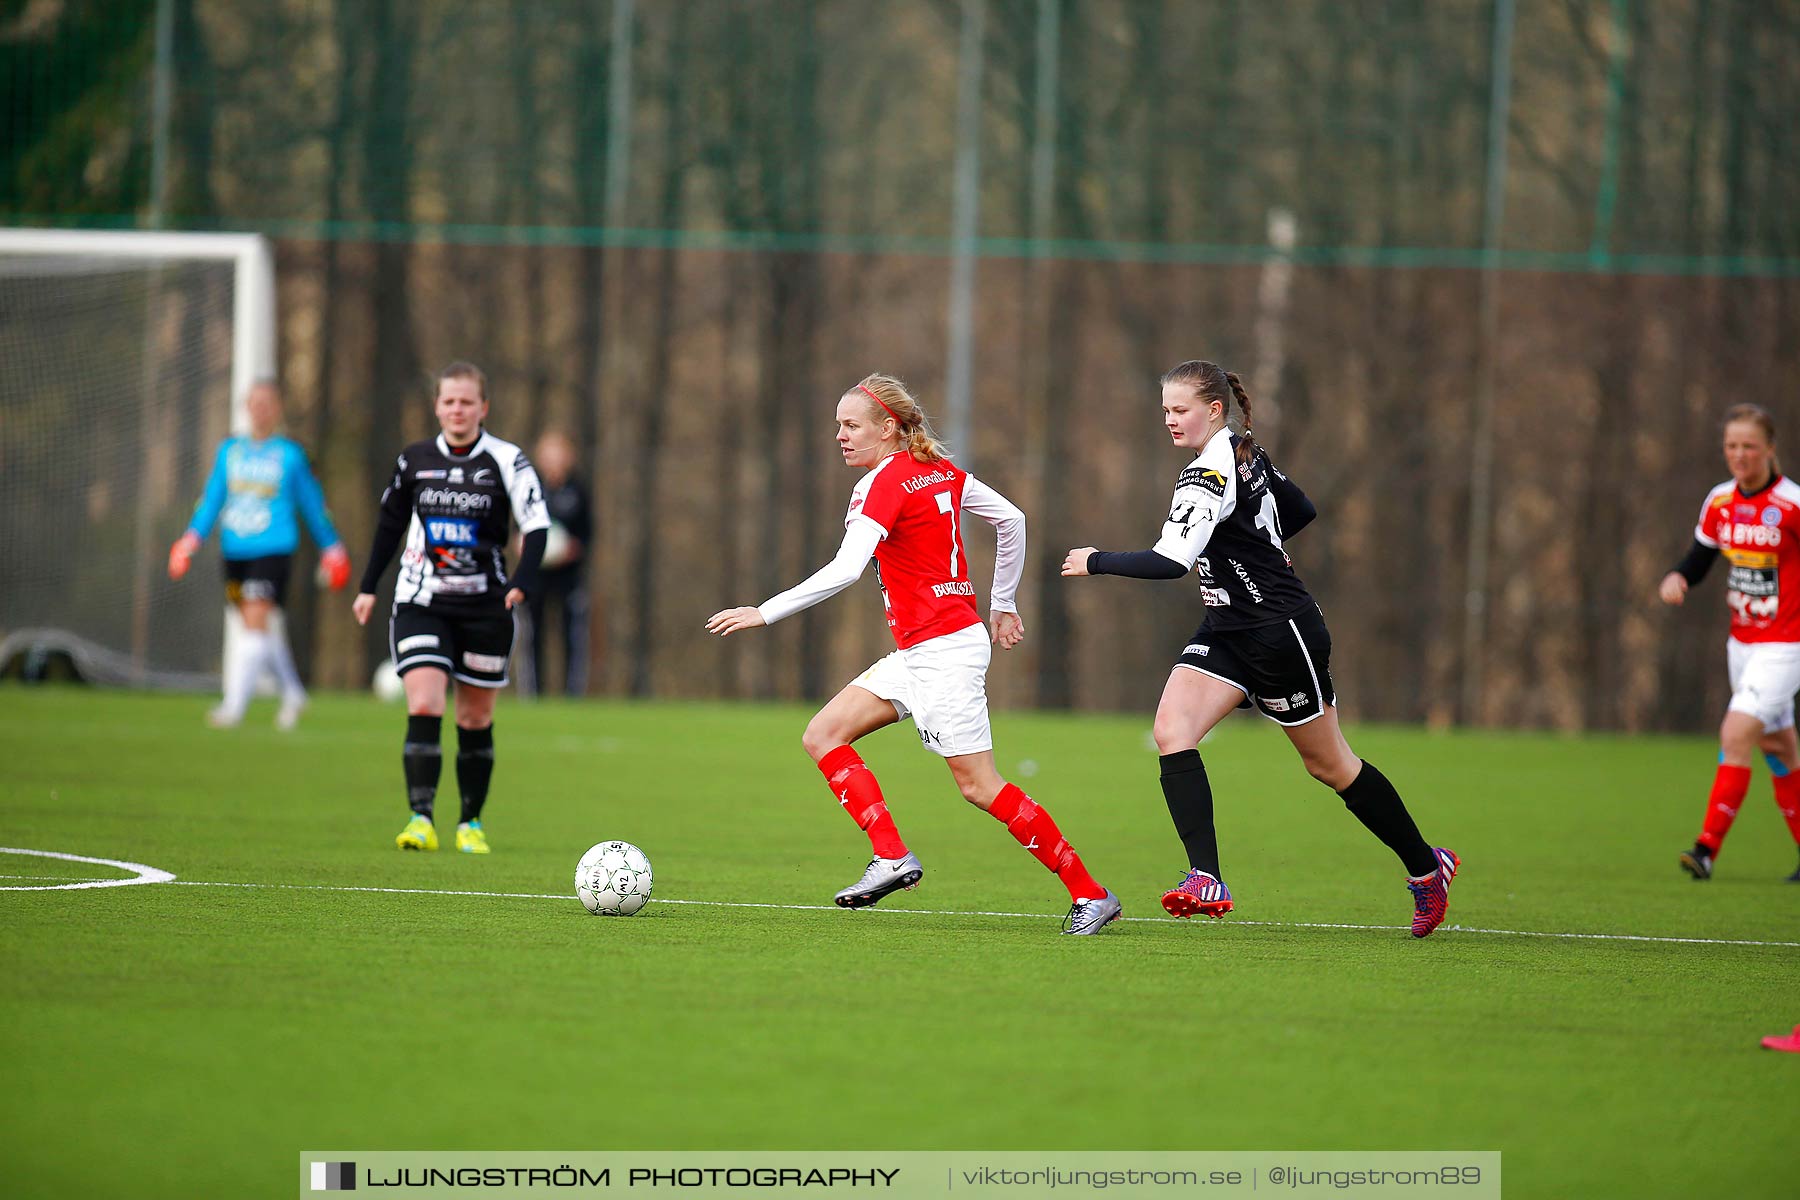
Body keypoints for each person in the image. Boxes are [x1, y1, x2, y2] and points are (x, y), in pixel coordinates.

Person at [706, 373, 1121, 934]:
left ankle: (1090, 893)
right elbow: (1012, 519)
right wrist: (1001, 603)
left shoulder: (885, 483)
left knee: (979, 785)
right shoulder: (941, 473)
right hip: (925, 648)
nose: (841, 437)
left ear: (888, 428)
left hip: (944, 653)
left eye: (851, 426)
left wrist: (765, 611)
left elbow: (847, 569)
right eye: (837, 426)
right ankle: (892, 857)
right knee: (823, 734)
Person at [1060, 360, 1460, 937]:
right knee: (1173, 732)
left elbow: (1169, 561)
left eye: (1181, 410)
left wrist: (1095, 560)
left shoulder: (1207, 475)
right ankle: (1206, 877)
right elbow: (1300, 511)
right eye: (1166, 411)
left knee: (1330, 764)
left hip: (1280, 634)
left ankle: (1428, 869)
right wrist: (1256, 548)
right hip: (1226, 630)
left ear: (1214, 410)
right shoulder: (1248, 453)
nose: (1170, 421)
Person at [352, 362, 549, 854]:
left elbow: (536, 526)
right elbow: (389, 525)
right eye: (448, 402)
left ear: (483, 407)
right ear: (437, 407)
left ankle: (470, 822)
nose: (457, 410)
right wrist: (368, 586)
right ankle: (420, 818)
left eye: (466, 402)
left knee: (475, 718)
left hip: (487, 604)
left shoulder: (507, 460)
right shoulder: (414, 460)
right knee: (424, 702)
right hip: (421, 601)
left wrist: (522, 583)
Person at [1660, 404, 1800, 883]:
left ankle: (1705, 850)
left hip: (1785, 645)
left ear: (1769, 449)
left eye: (1749, 446)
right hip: (1741, 643)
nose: (1739, 455)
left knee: (1735, 734)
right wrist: (1680, 576)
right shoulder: (1721, 500)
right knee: (1779, 747)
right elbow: (1702, 555)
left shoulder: (1791, 503)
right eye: (1732, 446)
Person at [168, 379, 350, 730]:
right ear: (246, 407)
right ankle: (294, 692)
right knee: (256, 627)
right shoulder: (230, 452)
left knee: (254, 623)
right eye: (256, 402)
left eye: (268, 403)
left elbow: (312, 504)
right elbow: (212, 499)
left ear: (278, 408)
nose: (261, 409)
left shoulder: (289, 455)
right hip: (235, 550)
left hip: (274, 548)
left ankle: (233, 707)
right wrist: (190, 540)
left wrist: (333, 547)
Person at [518, 430, 594, 697]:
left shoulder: (578, 490)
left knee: (571, 635)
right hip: (535, 576)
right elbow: (519, 528)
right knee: (532, 634)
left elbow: (587, 534)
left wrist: (574, 547)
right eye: (549, 455)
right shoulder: (531, 489)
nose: (555, 461)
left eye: (559, 454)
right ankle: (532, 693)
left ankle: (572, 694)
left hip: (568, 576)